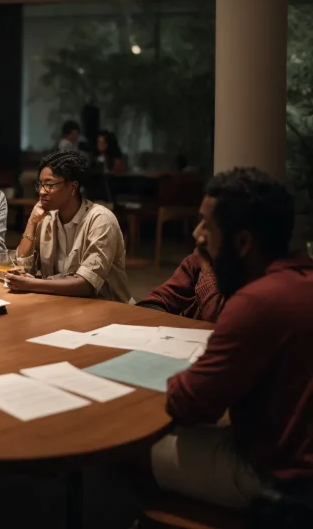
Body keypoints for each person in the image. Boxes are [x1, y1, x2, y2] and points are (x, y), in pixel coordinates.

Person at [150, 167, 313, 510]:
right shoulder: (299, 280)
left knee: (131, 447)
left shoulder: (256, 302)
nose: (197, 236)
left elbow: (190, 405)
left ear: (241, 242)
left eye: (206, 225)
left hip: (279, 479)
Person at [9, 150, 131, 302]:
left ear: (73, 187)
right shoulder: (46, 220)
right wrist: (32, 223)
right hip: (62, 306)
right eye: (40, 185)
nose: (42, 191)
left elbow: (86, 284)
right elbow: (23, 270)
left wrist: (33, 284)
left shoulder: (101, 220)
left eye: (50, 185)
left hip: (108, 309)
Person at [137, 251, 224, 322]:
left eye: (207, 229)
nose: (196, 233)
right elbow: (159, 298)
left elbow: (216, 316)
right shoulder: (197, 260)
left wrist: (206, 268)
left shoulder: (205, 260)